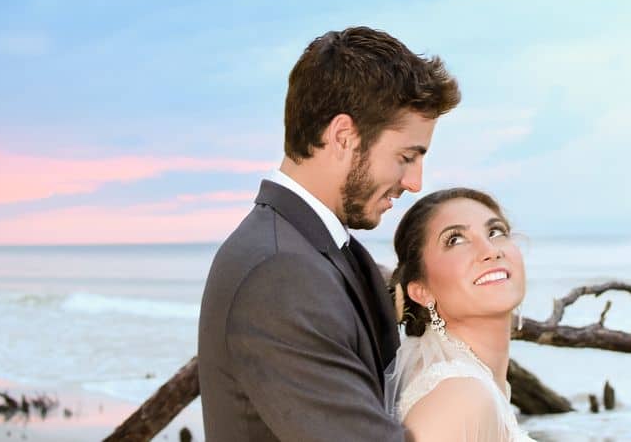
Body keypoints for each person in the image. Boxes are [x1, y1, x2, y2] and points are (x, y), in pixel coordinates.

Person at [198, 26, 460, 441]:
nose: (415, 182)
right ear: (343, 137)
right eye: (405, 157)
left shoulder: (321, 250)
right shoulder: (279, 273)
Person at [385, 187, 536, 441]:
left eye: (495, 232)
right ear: (421, 291)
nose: (490, 250)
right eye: (455, 240)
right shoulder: (460, 397)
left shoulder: (472, 386)